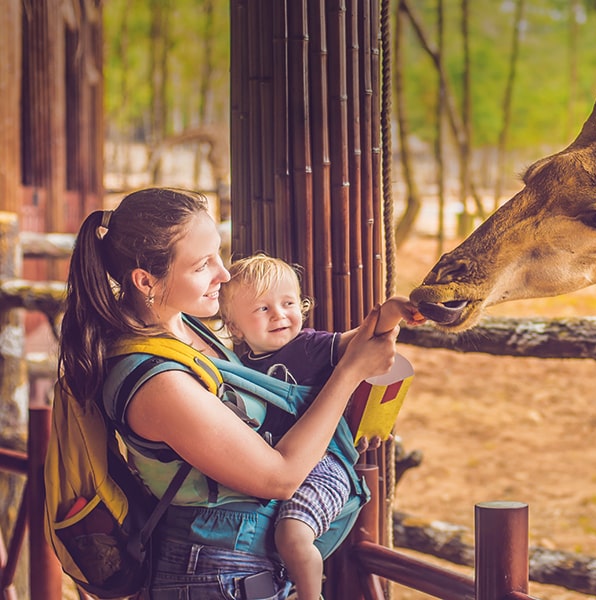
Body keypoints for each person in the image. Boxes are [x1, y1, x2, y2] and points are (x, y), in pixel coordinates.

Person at [58, 187, 401, 600]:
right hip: (212, 575)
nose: (223, 274)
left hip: (243, 565)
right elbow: (279, 477)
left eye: (219, 253)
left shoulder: (184, 326)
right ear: (146, 280)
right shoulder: (156, 381)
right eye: (204, 265)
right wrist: (349, 373)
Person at [218, 254, 424, 600]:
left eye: (288, 303)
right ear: (235, 328)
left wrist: (393, 309)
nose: (280, 314)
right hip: (278, 465)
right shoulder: (238, 367)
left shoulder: (312, 346)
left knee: (292, 535)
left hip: (322, 464)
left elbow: (366, 336)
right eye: (262, 309)